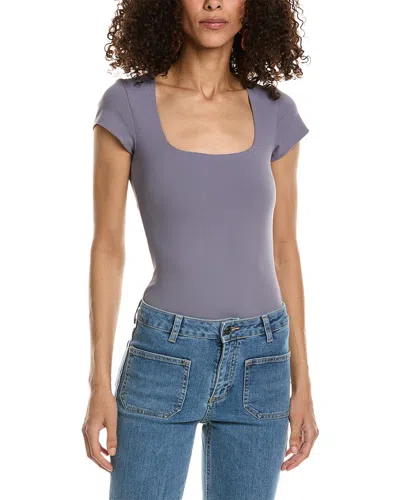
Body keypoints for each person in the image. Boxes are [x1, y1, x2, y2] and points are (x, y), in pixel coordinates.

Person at [82, 0, 319, 498]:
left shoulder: (276, 111)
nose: (213, 3)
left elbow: (285, 249)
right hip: (164, 354)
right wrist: (99, 383)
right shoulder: (127, 104)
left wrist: (303, 383)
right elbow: (108, 246)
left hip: (262, 359)